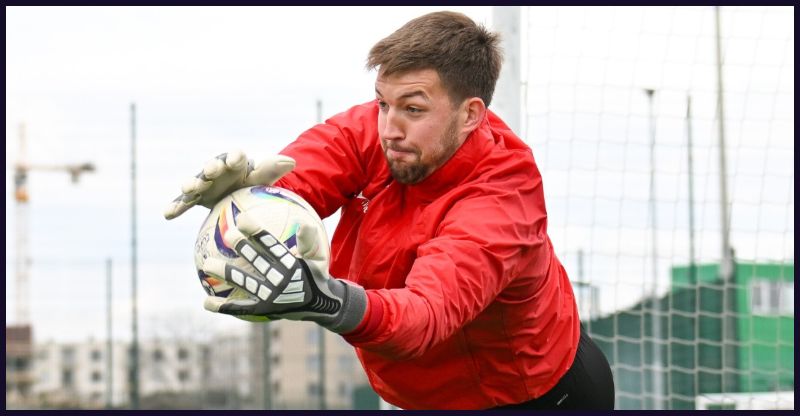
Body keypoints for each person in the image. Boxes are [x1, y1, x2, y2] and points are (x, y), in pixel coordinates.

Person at [165, 11, 614, 410]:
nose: (388, 127)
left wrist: (327, 300)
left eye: (413, 108)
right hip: (425, 396)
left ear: (471, 114)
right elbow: (302, 182)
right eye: (383, 102)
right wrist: (249, 198)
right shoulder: (378, 129)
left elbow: (424, 315)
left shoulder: (502, 200)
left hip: (534, 398)